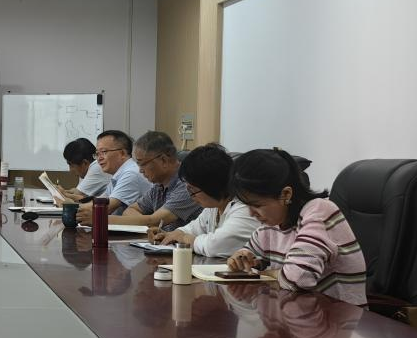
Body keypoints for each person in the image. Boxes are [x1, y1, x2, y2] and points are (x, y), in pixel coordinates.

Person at [226, 148, 368, 304]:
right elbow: (252, 252)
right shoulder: (272, 223)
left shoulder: (319, 212)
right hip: (296, 311)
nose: (251, 213)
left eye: (257, 205)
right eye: (247, 205)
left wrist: (264, 274)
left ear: (286, 194)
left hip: (337, 314)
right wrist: (242, 258)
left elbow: (298, 279)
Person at [150, 143, 258, 256]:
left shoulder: (245, 208)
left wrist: (184, 238)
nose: (191, 196)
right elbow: (192, 229)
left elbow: (215, 246)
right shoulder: (213, 208)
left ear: (211, 185)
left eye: (193, 190)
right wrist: (172, 235)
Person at [98, 130, 200, 230]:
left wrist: (100, 219)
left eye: (142, 164)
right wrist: (147, 222)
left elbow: (155, 221)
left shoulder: (187, 184)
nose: (140, 170)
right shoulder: (159, 185)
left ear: (163, 160)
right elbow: (130, 210)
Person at [76, 130, 149, 224]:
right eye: (97, 154)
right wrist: (70, 205)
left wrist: (69, 206)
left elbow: (104, 208)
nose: (99, 158)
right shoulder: (118, 174)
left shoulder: (131, 173)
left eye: (104, 152)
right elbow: (99, 202)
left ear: (122, 153)